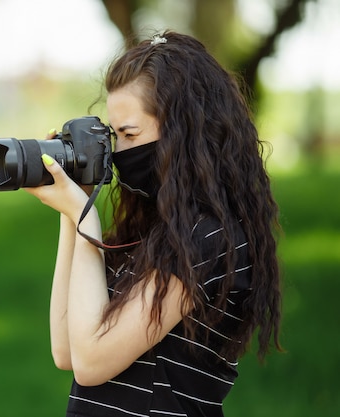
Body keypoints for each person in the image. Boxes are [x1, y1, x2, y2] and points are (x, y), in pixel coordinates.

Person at [25, 31, 282, 417]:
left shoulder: (206, 239)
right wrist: (72, 208)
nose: (119, 153)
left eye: (130, 134)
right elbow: (68, 350)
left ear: (184, 132)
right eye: (115, 136)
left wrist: (85, 217)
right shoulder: (153, 229)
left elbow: (93, 364)